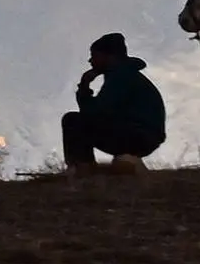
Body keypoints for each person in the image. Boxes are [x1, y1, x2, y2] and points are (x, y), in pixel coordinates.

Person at [62, 32, 167, 173]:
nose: (90, 61)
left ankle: (82, 170)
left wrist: (84, 87)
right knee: (82, 121)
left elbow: (96, 112)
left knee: (72, 121)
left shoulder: (120, 75)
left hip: (137, 133)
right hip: (145, 134)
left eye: (94, 56)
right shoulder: (125, 74)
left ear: (109, 56)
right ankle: (127, 161)